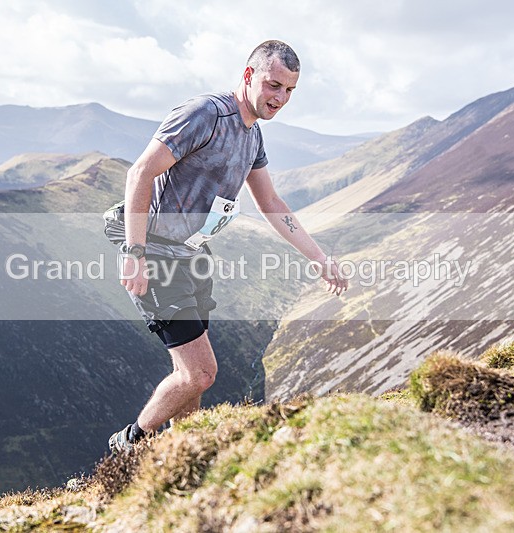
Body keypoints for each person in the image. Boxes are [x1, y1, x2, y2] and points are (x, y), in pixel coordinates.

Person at [109, 40, 348, 453]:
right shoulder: (205, 114)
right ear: (249, 74)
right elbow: (139, 174)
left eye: (290, 91)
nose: (280, 99)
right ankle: (128, 445)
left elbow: (271, 203)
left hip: (192, 258)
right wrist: (135, 253)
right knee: (200, 374)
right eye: (274, 85)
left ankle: (183, 457)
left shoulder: (253, 135)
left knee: (190, 379)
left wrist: (319, 258)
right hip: (158, 254)